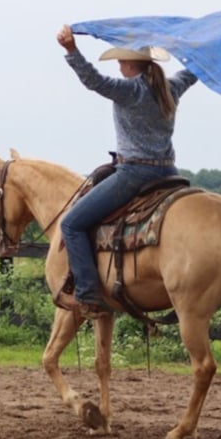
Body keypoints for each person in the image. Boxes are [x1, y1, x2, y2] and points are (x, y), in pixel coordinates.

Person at [55, 24, 198, 318]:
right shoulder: (170, 87)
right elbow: (193, 73)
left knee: (71, 224)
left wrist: (72, 51)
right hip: (170, 174)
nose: (119, 65)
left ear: (132, 63)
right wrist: (207, 54)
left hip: (135, 174)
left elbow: (93, 81)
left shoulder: (129, 90)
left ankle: (88, 295)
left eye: (121, 60)